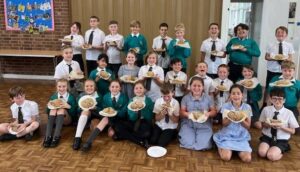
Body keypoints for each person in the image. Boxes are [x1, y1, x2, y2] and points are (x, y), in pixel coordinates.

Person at [81, 80, 128, 151]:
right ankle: (88, 142)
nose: (114, 89)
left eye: (117, 87)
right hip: (107, 118)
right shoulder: (106, 96)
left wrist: (114, 112)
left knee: (111, 134)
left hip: (119, 119)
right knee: (105, 119)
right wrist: (96, 107)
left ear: (120, 88)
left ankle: (110, 129)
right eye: (112, 87)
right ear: (109, 88)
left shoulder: (124, 97)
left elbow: (123, 113)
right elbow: (102, 110)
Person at [213, 84, 252, 162]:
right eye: (233, 93)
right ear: (230, 95)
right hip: (227, 136)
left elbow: (248, 126)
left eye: (238, 93)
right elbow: (224, 124)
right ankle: (221, 146)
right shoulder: (225, 106)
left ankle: (236, 150)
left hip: (241, 136)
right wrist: (231, 117)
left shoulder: (247, 107)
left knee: (247, 159)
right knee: (226, 157)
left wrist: (240, 119)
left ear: (242, 95)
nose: (236, 96)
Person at [258, 88, 299, 161]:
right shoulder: (266, 109)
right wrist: (267, 125)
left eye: (280, 99)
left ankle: (283, 150)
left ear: (284, 100)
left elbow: (293, 131)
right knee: (262, 153)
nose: (277, 101)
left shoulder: (289, 113)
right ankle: (271, 148)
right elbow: (262, 124)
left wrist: (281, 127)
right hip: (267, 137)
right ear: (270, 99)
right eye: (274, 98)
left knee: (271, 156)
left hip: (281, 139)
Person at [179, 77, 217, 150]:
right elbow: (181, 112)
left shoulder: (208, 98)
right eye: (194, 85)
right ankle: (193, 143)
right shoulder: (185, 98)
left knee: (204, 145)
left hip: (204, 125)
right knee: (187, 143)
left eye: (199, 86)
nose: (196, 88)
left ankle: (199, 144)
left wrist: (208, 114)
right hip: (188, 124)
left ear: (203, 87)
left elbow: (214, 112)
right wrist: (187, 114)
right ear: (190, 87)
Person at [113, 81, 154, 148]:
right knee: (118, 125)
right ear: (134, 91)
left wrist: (142, 110)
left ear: (144, 90)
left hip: (144, 122)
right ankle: (141, 142)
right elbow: (131, 118)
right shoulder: (131, 101)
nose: (138, 90)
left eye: (141, 88)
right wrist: (135, 112)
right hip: (133, 122)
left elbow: (150, 117)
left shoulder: (148, 100)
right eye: (136, 88)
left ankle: (123, 135)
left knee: (147, 133)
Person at [262, 26, 294, 109]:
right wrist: (275, 58)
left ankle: (281, 105)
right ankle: (265, 104)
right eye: (278, 32)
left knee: (283, 87)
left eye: (282, 32)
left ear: (286, 35)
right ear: (275, 34)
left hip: (283, 71)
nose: (280, 34)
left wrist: (285, 58)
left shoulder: (289, 45)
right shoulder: (270, 44)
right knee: (269, 87)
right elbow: (266, 57)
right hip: (272, 70)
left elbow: (290, 58)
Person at [268, 61, 300, 134]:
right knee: (274, 124)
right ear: (281, 70)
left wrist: (297, 106)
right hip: (276, 106)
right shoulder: (275, 79)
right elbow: (270, 92)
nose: (287, 73)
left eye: (290, 71)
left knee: (297, 130)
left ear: (294, 71)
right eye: (285, 70)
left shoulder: (297, 84)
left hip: (291, 107)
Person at [43, 79, 77, 148]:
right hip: (55, 120)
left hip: (67, 119)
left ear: (67, 87)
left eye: (64, 86)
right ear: (56, 87)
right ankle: (48, 136)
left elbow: (74, 114)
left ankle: (56, 136)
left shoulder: (71, 97)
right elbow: (47, 113)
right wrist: (48, 107)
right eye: (59, 86)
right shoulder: (53, 97)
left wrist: (68, 106)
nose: (61, 88)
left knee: (61, 109)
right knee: (53, 110)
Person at [72, 79, 102, 150]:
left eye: (91, 86)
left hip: (95, 116)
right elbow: (77, 109)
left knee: (95, 127)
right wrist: (82, 107)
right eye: (87, 86)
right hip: (84, 115)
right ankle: (77, 138)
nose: (89, 88)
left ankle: (88, 140)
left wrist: (96, 108)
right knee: (86, 111)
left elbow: (101, 111)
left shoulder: (99, 96)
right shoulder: (81, 96)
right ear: (84, 87)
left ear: (95, 87)